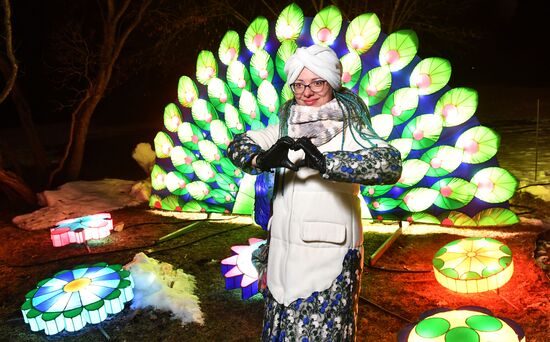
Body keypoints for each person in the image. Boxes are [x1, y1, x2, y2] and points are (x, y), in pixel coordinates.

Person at [227, 44, 402, 341]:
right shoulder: (285, 126)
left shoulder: (352, 129)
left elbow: (389, 164)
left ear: (332, 83)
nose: (307, 91)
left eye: (317, 82)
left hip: (330, 261)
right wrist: (261, 159)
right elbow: (238, 144)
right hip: (282, 257)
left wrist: (325, 163)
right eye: (299, 84)